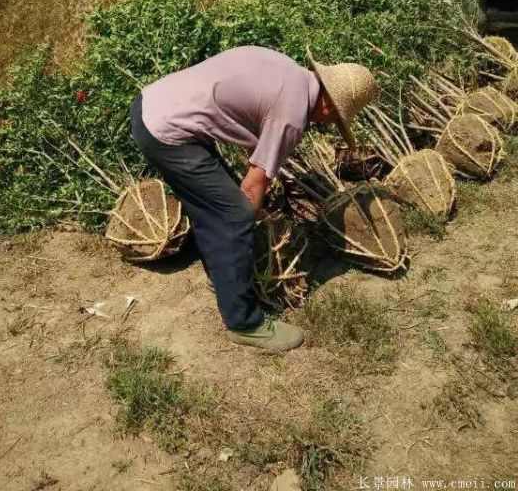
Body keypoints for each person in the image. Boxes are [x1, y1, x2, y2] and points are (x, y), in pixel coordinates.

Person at [130, 45, 377, 352]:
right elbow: (253, 185)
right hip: (167, 132)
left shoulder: (288, 71)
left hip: (151, 104)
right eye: (335, 118)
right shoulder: (293, 115)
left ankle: (221, 270)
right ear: (328, 106)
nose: (328, 124)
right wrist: (253, 221)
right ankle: (244, 323)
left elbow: (253, 135)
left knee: (215, 205)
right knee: (235, 216)